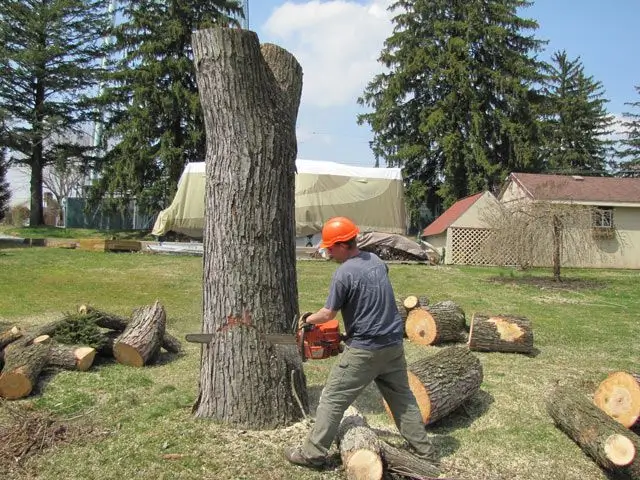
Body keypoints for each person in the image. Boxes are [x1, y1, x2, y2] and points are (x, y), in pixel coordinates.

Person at [284, 216, 436, 468]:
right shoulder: (375, 261)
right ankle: (424, 451)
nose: (328, 252)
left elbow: (328, 314)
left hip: (366, 350)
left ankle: (312, 454)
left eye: (331, 248)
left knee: (332, 397)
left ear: (344, 244)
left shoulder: (343, 273)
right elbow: (368, 301)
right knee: (402, 398)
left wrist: (306, 318)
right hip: (393, 344)